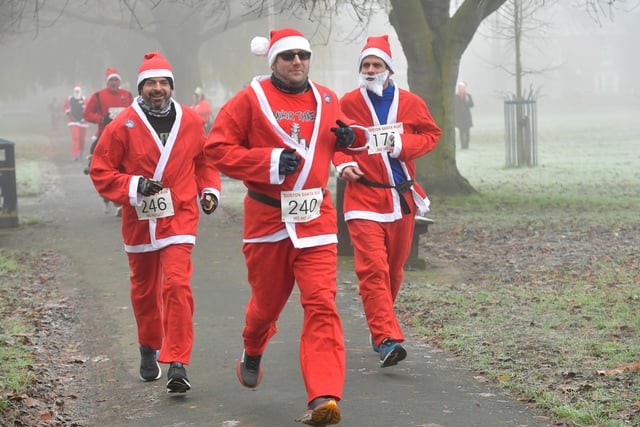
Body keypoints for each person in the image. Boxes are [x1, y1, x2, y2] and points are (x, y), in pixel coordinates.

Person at [205, 28, 368, 426]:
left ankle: (324, 396)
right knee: (266, 305)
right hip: (268, 220)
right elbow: (217, 150)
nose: (298, 62)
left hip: (315, 220)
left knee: (322, 303)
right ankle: (253, 346)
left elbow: (342, 142)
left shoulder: (328, 99)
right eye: (289, 56)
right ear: (273, 62)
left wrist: (350, 143)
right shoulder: (249, 100)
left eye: (303, 55)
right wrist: (270, 162)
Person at [89, 51, 221, 394]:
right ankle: (148, 347)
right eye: (151, 83)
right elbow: (102, 171)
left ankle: (177, 361)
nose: (157, 89)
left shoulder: (191, 121)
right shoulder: (121, 126)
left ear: (172, 86)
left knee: (176, 284)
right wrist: (134, 186)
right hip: (139, 219)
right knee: (145, 291)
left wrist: (208, 190)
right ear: (141, 87)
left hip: (179, 216)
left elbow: (204, 160)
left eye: (163, 82)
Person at [333, 35, 441, 368]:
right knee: (373, 269)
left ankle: (380, 326)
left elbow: (431, 135)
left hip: (401, 198)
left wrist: (400, 144)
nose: (369, 70)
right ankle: (385, 337)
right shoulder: (348, 102)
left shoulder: (410, 103)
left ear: (389, 70)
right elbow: (334, 140)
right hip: (363, 197)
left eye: (376, 65)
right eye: (365, 65)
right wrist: (343, 162)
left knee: (394, 271)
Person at [83, 67, 134, 215]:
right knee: (96, 151)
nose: (113, 82)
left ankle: (125, 201)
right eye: (111, 80)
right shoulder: (98, 96)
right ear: (107, 82)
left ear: (120, 81)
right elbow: (87, 114)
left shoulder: (127, 95)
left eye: (116, 80)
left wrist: (130, 124)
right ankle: (92, 165)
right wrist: (101, 119)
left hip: (125, 135)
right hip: (105, 134)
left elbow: (134, 113)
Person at [63, 85, 89, 161]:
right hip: (73, 121)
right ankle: (75, 154)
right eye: (75, 91)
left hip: (83, 121)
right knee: (75, 137)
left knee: (82, 138)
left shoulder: (85, 99)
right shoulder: (69, 99)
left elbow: (89, 108)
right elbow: (65, 107)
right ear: (73, 91)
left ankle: (81, 151)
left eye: (78, 91)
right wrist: (67, 112)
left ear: (80, 91)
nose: (77, 93)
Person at [454, 81, 474, 149]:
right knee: (461, 132)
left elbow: (471, 104)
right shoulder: (456, 96)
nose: (461, 88)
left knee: (467, 132)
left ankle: (466, 145)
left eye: (462, 87)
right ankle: (463, 146)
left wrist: (467, 102)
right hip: (459, 117)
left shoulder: (468, 95)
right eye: (460, 87)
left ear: (464, 88)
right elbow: (454, 106)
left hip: (467, 116)